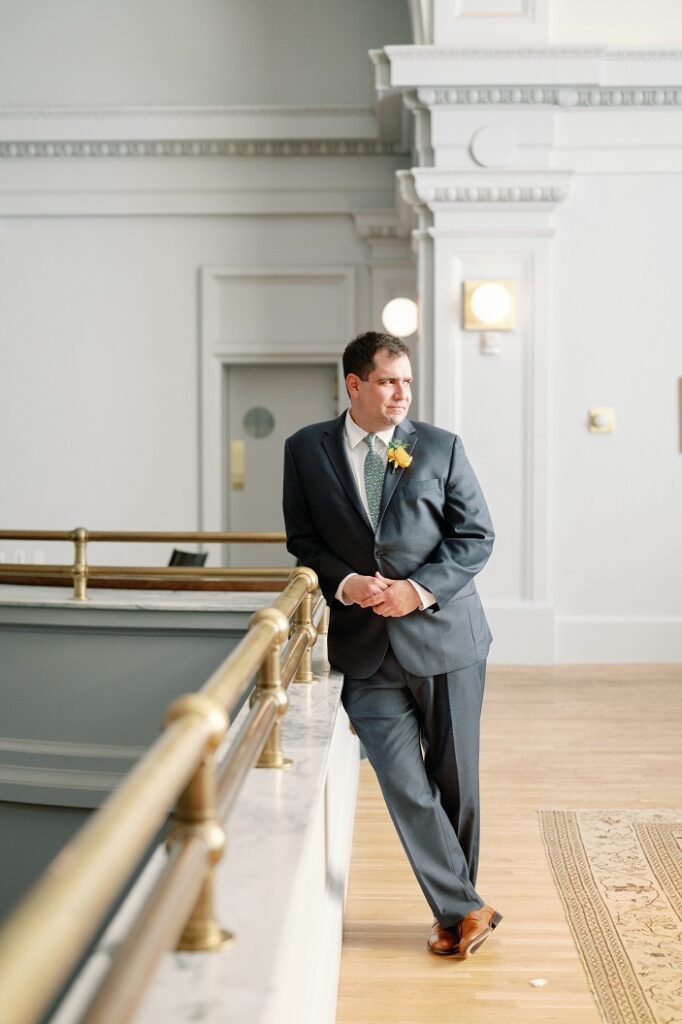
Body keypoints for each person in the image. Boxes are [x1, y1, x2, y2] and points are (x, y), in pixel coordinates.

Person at [282, 331, 501, 958]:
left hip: (447, 638)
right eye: (387, 381)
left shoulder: (440, 447)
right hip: (365, 650)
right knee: (404, 782)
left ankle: (454, 910)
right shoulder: (305, 450)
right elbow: (305, 542)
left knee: (455, 783)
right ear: (354, 385)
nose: (401, 392)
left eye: (407, 381)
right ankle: (465, 907)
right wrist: (346, 583)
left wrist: (420, 591)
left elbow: (476, 536)